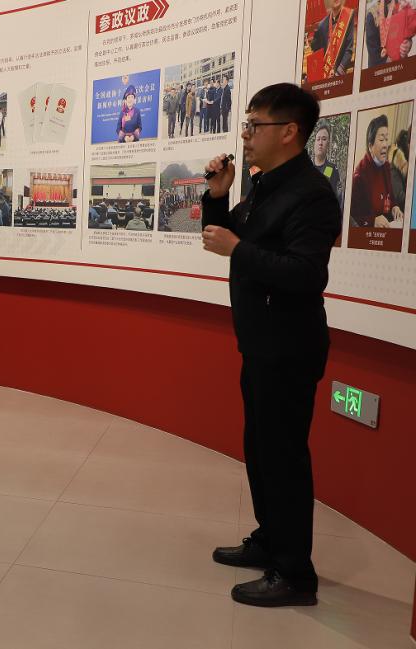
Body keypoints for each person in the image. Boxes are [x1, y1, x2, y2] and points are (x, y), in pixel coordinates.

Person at [201, 83, 340, 607]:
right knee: (260, 451)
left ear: (289, 132)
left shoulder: (312, 194)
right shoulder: (264, 184)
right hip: (259, 341)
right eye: (247, 124)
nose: (246, 134)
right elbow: (221, 241)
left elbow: (306, 274)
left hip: (289, 346)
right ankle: (269, 540)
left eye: (255, 125)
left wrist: (239, 249)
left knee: (284, 459)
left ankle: (294, 573)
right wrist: (219, 196)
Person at [350, 114, 404, 227]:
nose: (385, 145)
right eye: (381, 139)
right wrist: (372, 221)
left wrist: (395, 207)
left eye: (386, 139)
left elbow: (390, 196)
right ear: (370, 146)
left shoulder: (386, 166)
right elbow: (352, 216)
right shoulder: (359, 176)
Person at [308, 0, 356, 78]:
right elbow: (315, 52)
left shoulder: (349, 16)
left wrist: (338, 73)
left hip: (341, 75)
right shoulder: (322, 26)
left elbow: (349, 50)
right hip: (326, 76)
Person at [310, 122, 343, 209]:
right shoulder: (306, 169)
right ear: (314, 143)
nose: (320, 143)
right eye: (318, 139)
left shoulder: (332, 169)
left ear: (328, 144)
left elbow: (338, 200)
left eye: (324, 139)